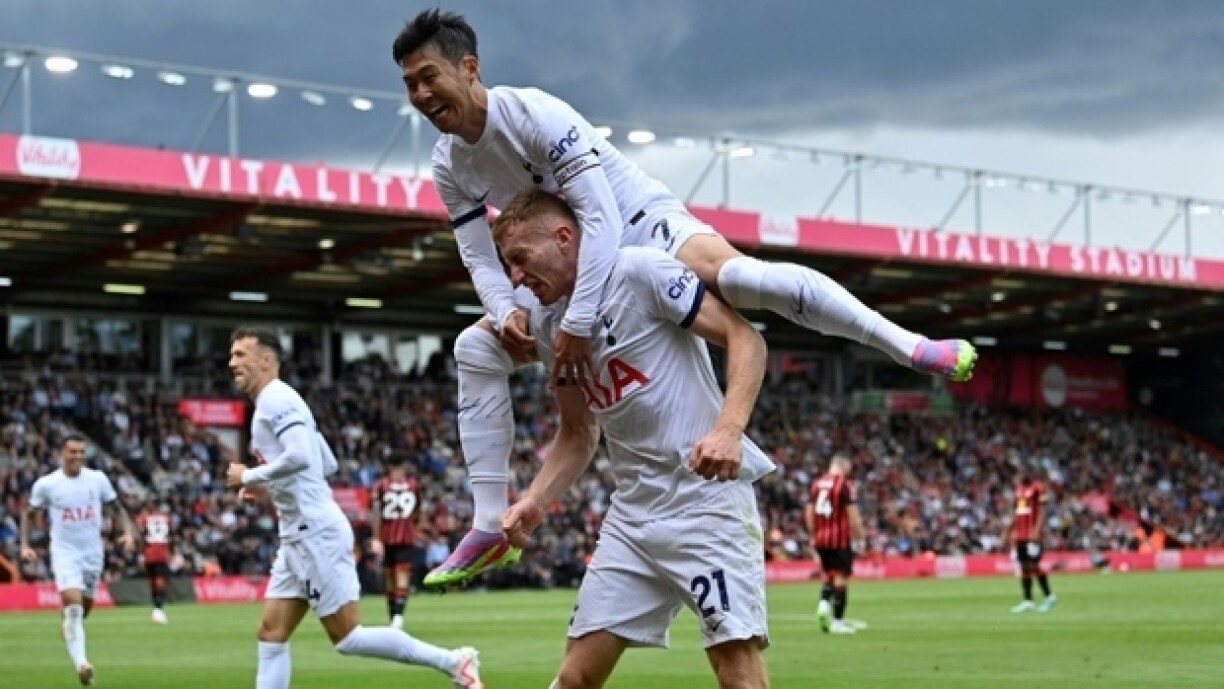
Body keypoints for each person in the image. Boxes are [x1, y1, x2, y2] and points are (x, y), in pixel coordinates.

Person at [390, 8, 978, 587]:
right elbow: (479, 257)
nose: (420, 94)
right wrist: (507, 312)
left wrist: (578, 323)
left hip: (639, 223)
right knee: (476, 348)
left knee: (743, 281)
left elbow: (600, 216)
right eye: (410, 84)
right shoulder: (449, 166)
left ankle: (908, 345)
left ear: (470, 68)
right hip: (566, 259)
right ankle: (487, 524)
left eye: (428, 76)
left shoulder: (535, 114)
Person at [495, 190, 775, 689]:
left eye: (521, 258)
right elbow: (578, 430)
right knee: (576, 677)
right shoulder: (547, 322)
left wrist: (729, 430)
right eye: (507, 265)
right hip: (633, 517)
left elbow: (745, 337)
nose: (515, 277)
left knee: (738, 677)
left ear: (564, 238)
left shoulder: (639, 271)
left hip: (706, 506)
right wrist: (535, 500)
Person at [222, 326, 483, 689]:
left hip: (313, 532)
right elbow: (325, 462)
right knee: (271, 633)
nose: (231, 362)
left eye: (240, 355)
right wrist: (268, 487)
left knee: (348, 637)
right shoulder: (281, 401)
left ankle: (454, 662)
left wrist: (249, 476)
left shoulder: (275, 400)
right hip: (298, 534)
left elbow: (300, 456)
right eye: (231, 355)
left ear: (266, 360)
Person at [19, 433, 138, 686]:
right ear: (62, 454)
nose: (78, 456)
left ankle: (68, 623)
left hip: (93, 554)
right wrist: (25, 545)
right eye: (72, 452)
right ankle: (82, 665)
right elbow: (29, 514)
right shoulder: (47, 484)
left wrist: (128, 532)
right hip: (65, 553)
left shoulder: (97, 479)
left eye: (81, 452)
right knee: (73, 603)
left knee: (84, 608)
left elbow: (118, 508)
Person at [804, 456, 865, 634]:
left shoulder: (816, 484)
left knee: (829, 574)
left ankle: (824, 604)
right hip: (840, 539)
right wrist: (860, 538)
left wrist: (813, 534)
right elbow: (853, 515)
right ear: (844, 466)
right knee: (840, 577)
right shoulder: (845, 484)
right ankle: (838, 622)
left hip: (821, 538)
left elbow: (809, 512)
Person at [369, 453, 424, 630]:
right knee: (402, 575)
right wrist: (413, 526)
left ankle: (395, 616)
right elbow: (417, 511)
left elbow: (376, 512)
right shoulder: (414, 485)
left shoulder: (380, 485)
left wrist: (375, 537)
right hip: (406, 536)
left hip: (387, 537)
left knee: (390, 577)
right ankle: (398, 617)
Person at [1006, 467, 1057, 613]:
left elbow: (1043, 511)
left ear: (1029, 474)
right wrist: (1008, 530)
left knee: (1033, 565)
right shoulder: (1019, 490)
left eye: (1023, 473)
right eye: (1019, 474)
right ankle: (1028, 601)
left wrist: (1037, 531)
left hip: (1032, 535)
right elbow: (1018, 512)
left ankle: (1049, 596)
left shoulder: (1038, 488)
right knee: (1024, 567)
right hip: (1021, 535)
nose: (1020, 476)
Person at [135, 500, 173, 624]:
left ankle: (157, 608)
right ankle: (158, 608)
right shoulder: (166, 518)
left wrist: (141, 553)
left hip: (150, 551)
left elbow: (141, 535)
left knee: (153, 580)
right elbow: (171, 535)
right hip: (162, 550)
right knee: (160, 580)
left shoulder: (144, 518)